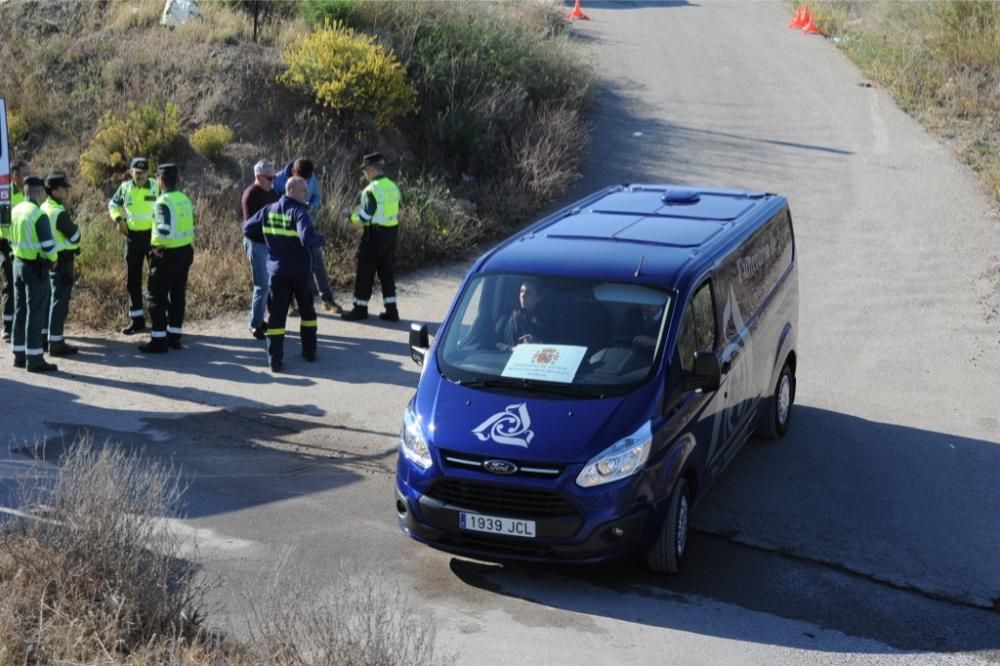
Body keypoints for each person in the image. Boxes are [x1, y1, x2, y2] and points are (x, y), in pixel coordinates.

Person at [242, 176, 325, 372]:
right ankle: (309, 352)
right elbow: (306, 238)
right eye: (304, 190)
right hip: (300, 272)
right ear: (292, 191)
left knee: (276, 318)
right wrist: (320, 239)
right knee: (307, 313)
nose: (307, 193)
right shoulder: (299, 212)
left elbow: (247, 228)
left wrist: (268, 240)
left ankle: (274, 359)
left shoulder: (269, 210)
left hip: (277, 272)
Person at [138, 164, 194, 354]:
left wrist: (157, 249)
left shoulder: (163, 202)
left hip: (167, 254)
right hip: (185, 251)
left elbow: (163, 230)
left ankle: (159, 339)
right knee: (177, 295)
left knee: (156, 295)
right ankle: (174, 336)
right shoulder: (183, 198)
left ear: (161, 181)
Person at [274, 157, 341, 313]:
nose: (305, 182)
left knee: (317, 262)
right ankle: (290, 304)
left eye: (307, 179)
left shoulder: (311, 177)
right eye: (301, 179)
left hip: (306, 226)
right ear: (293, 172)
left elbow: (317, 197)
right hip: (286, 231)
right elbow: (274, 203)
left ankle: (327, 299)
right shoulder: (278, 180)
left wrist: (311, 206)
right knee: (287, 267)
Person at [341, 152, 401, 322]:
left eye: (365, 169)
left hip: (374, 235)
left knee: (365, 272)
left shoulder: (371, 190)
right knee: (386, 273)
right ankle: (392, 310)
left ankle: (360, 309)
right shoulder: (392, 186)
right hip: (391, 234)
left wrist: (349, 216)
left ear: (372, 168)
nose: (364, 173)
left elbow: (363, 218)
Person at [9, 176, 58, 372]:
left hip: (17, 264)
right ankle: (35, 358)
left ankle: (19, 354)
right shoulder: (38, 215)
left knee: (20, 310)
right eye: (43, 193)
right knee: (35, 312)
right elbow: (48, 246)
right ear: (38, 193)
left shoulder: (15, 210)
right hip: (35, 269)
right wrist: (53, 260)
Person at [109, 156, 160, 335]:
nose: (140, 176)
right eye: (137, 173)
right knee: (133, 281)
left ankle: (160, 321)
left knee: (157, 280)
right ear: (131, 172)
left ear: (148, 173)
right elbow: (113, 204)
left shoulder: (156, 186)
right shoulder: (125, 188)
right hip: (132, 238)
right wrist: (118, 219)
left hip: (153, 239)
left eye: (143, 173)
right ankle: (137, 320)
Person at [40, 172, 82, 357]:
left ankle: (45, 339)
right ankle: (56, 343)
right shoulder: (58, 212)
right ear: (54, 190)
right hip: (63, 262)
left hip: (50, 261)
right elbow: (75, 236)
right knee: (59, 301)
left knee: (49, 300)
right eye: (64, 187)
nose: (66, 190)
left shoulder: (44, 207)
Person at [241, 159, 279, 339]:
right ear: (258, 177)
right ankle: (255, 324)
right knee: (262, 285)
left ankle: (262, 319)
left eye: (274, 177)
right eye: (269, 178)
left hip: (271, 244)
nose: (273, 181)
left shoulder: (273, 193)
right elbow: (251, 226)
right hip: (257, 244)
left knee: (270, 286)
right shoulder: (251, 194)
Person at [1, 160, 29, 343]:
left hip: (23, 244)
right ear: (14, 176)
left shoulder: (29, 193)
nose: (29, 178)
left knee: (24, 286)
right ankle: (8, 327)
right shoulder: (4, 194)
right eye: (25, 175)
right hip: (4, 244)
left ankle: (23, 325)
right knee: (10, 284)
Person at [495, 280, 549, 351]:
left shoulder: (546, 320)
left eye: (528, 293)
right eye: (521, 291)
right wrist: (511, 348)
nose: (523, 295)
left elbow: (554, 346)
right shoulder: (507, 315)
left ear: (539, 298)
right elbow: (494, 342)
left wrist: (537, 343)